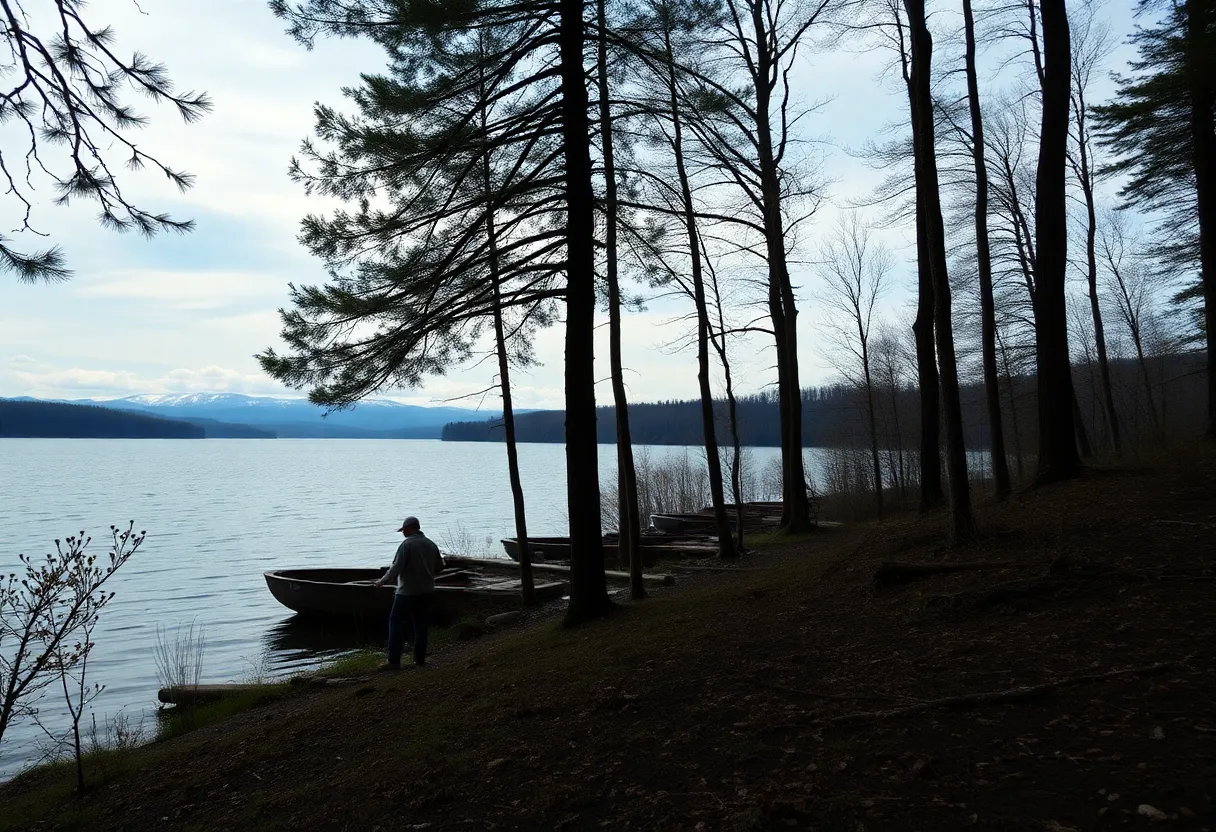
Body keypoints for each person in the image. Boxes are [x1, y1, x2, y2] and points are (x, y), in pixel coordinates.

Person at [373, 515, 444, 669]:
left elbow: (396, 568)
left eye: (404, 530)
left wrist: (382, 581)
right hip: (427, 591)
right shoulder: (431, 544)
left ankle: (393, 661)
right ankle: (419, 659)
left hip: (407, 592)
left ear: (411, 528)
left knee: (395, 622)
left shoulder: (407, 545)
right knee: (420, 624)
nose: (403, 533)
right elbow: (439, 567)